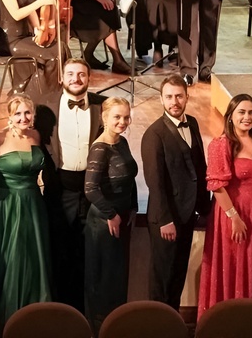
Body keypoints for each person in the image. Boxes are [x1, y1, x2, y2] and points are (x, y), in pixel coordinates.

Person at [32, 58, 106, 311]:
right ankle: (59, 313)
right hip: (59, 189)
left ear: (89, 78)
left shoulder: (102, 106)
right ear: (61, 78)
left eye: (81, 74)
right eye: (71, 74)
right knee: (59, 254)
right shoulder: (44, 107)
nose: (76, 79)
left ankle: (84, 315)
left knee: (88, 255)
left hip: (92, 190)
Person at [0, 95, 52, 332]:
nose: (23, 118)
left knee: (33, 259)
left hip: (32, 205)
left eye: (27, 112)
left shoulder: (37, 136)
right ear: (9, 115)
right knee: (9, 259)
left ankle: (33, 316)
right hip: (6, 207)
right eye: (17, 113)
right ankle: (5, 317)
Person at [141, 75, 210, 309]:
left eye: (179, 96)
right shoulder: (154, 134)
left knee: (178, 275)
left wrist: (205, 207)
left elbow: (199, 166)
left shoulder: (193, 123)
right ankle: (158, 324)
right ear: (161, 99)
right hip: (166, 219)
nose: (174, 102)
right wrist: (165, 220)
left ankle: (172, 323)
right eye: (169, 97)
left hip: (187, 215)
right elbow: (155, 182)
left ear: (187, 97)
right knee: (163, 279)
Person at [198, 94, 252, 315]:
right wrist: (234, 217)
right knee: (233, 264)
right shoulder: (221, 144)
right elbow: (217, 186)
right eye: (241, 112)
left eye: (251, 112)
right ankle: (226, 319)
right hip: (231, 213)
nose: (247, 117)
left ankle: (248, 319)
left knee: (251, 264)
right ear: (230, 116)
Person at [84, 97, 138, 334]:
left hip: (120, 217)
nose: (122, 122)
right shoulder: (100, 148)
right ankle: (100, 330)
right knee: (104, 280)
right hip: (104, 222)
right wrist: (112, 214)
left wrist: (133, 207)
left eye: (126, 117)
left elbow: (129, 178)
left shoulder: (121, 142)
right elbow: (90, 189)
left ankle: (116, 328)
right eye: (117, 117)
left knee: (117, 278)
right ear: (104, 117)